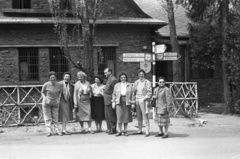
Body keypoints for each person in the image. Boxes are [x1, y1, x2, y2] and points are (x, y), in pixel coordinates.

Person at [41, 71, 63, 137]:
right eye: (51, 78)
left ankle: (57, 130)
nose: (53, 79)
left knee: (55, 117)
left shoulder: (59, 84)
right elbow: (42, 92)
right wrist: (45, 98)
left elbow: (60, 92)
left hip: (55, 102)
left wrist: (58, 99)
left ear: (56, 77)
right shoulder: (46, 84)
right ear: (49, 78)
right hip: (47, 103)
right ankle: (49, 131)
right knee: (48, 118)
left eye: (54, 77)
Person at [132, 69, 152, 137]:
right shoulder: (136, 82)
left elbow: (149, 93)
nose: (141, 76)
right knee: (138, 116)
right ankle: (140, 129)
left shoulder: (147, 82)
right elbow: (133, 92)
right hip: (137, 100)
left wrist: (143, 98)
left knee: (145, 115)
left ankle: (147, 130)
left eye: (142, 74)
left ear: (144, 75)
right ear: (138, 75)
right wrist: (133, 100)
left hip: (143, 100)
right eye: (140, 74)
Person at [103, 68, 117, 134]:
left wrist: (113, 100)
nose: (104, 74)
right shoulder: (109, 79)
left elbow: (115, 91)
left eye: (106, 72)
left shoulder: (113, 79)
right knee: (107, 115)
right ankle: (109, 128)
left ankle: (113, 129)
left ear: (110, 72)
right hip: (106, 99)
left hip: (110, 99)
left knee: (111, 115)